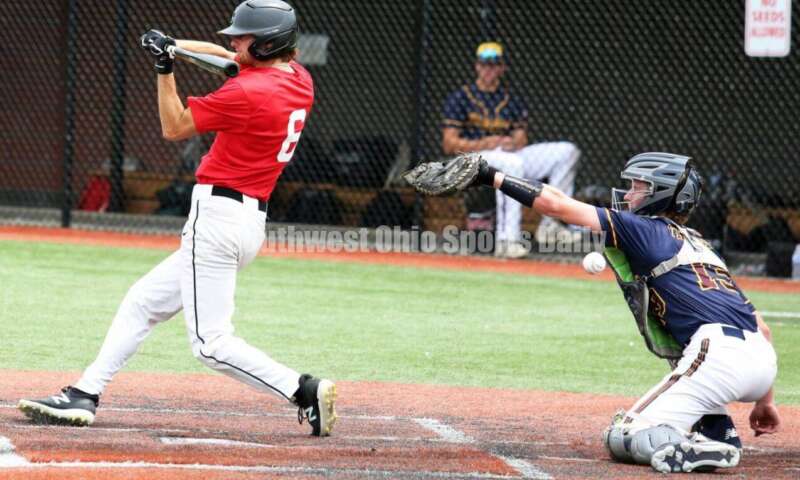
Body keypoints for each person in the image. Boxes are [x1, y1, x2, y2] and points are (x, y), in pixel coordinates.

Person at [17, 0, 337, 437]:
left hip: (218, 219)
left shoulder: (247, 92)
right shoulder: (298, 78)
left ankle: (301, 389)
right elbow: (224, 57)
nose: (234, 41)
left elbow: (174, 126)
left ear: (267, 45)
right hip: (244, 220)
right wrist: (171, 46)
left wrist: (165, 69)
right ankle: (85, 393)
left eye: (244, 37)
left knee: (210, 343)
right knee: (142, 301)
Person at [409, 152, 780, 473]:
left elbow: (556, 205)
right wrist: (766, 402)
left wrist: (491, 176)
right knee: (685, 368)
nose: (630, 193)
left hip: (718, 357)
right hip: (760, 364)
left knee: (625, 435)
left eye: (639, 187)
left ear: (662, 195)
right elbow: (762, 327)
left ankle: (704, 449)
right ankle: (719, 435)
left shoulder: (643, 228)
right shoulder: (700, 244)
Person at [441, 41, 581, 258]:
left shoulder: (510, 100)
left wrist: (510, 142)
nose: (489, 69)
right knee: (512, 164)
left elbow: (521, 138)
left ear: (502, 68)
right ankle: (507, 239)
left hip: (507, 154)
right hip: (475, 159)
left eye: (494, 64)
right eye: (484, 64)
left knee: (567, 151)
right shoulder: (460, 98)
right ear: (477, 66)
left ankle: (551, 224)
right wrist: (486, 143)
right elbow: (449, 143)